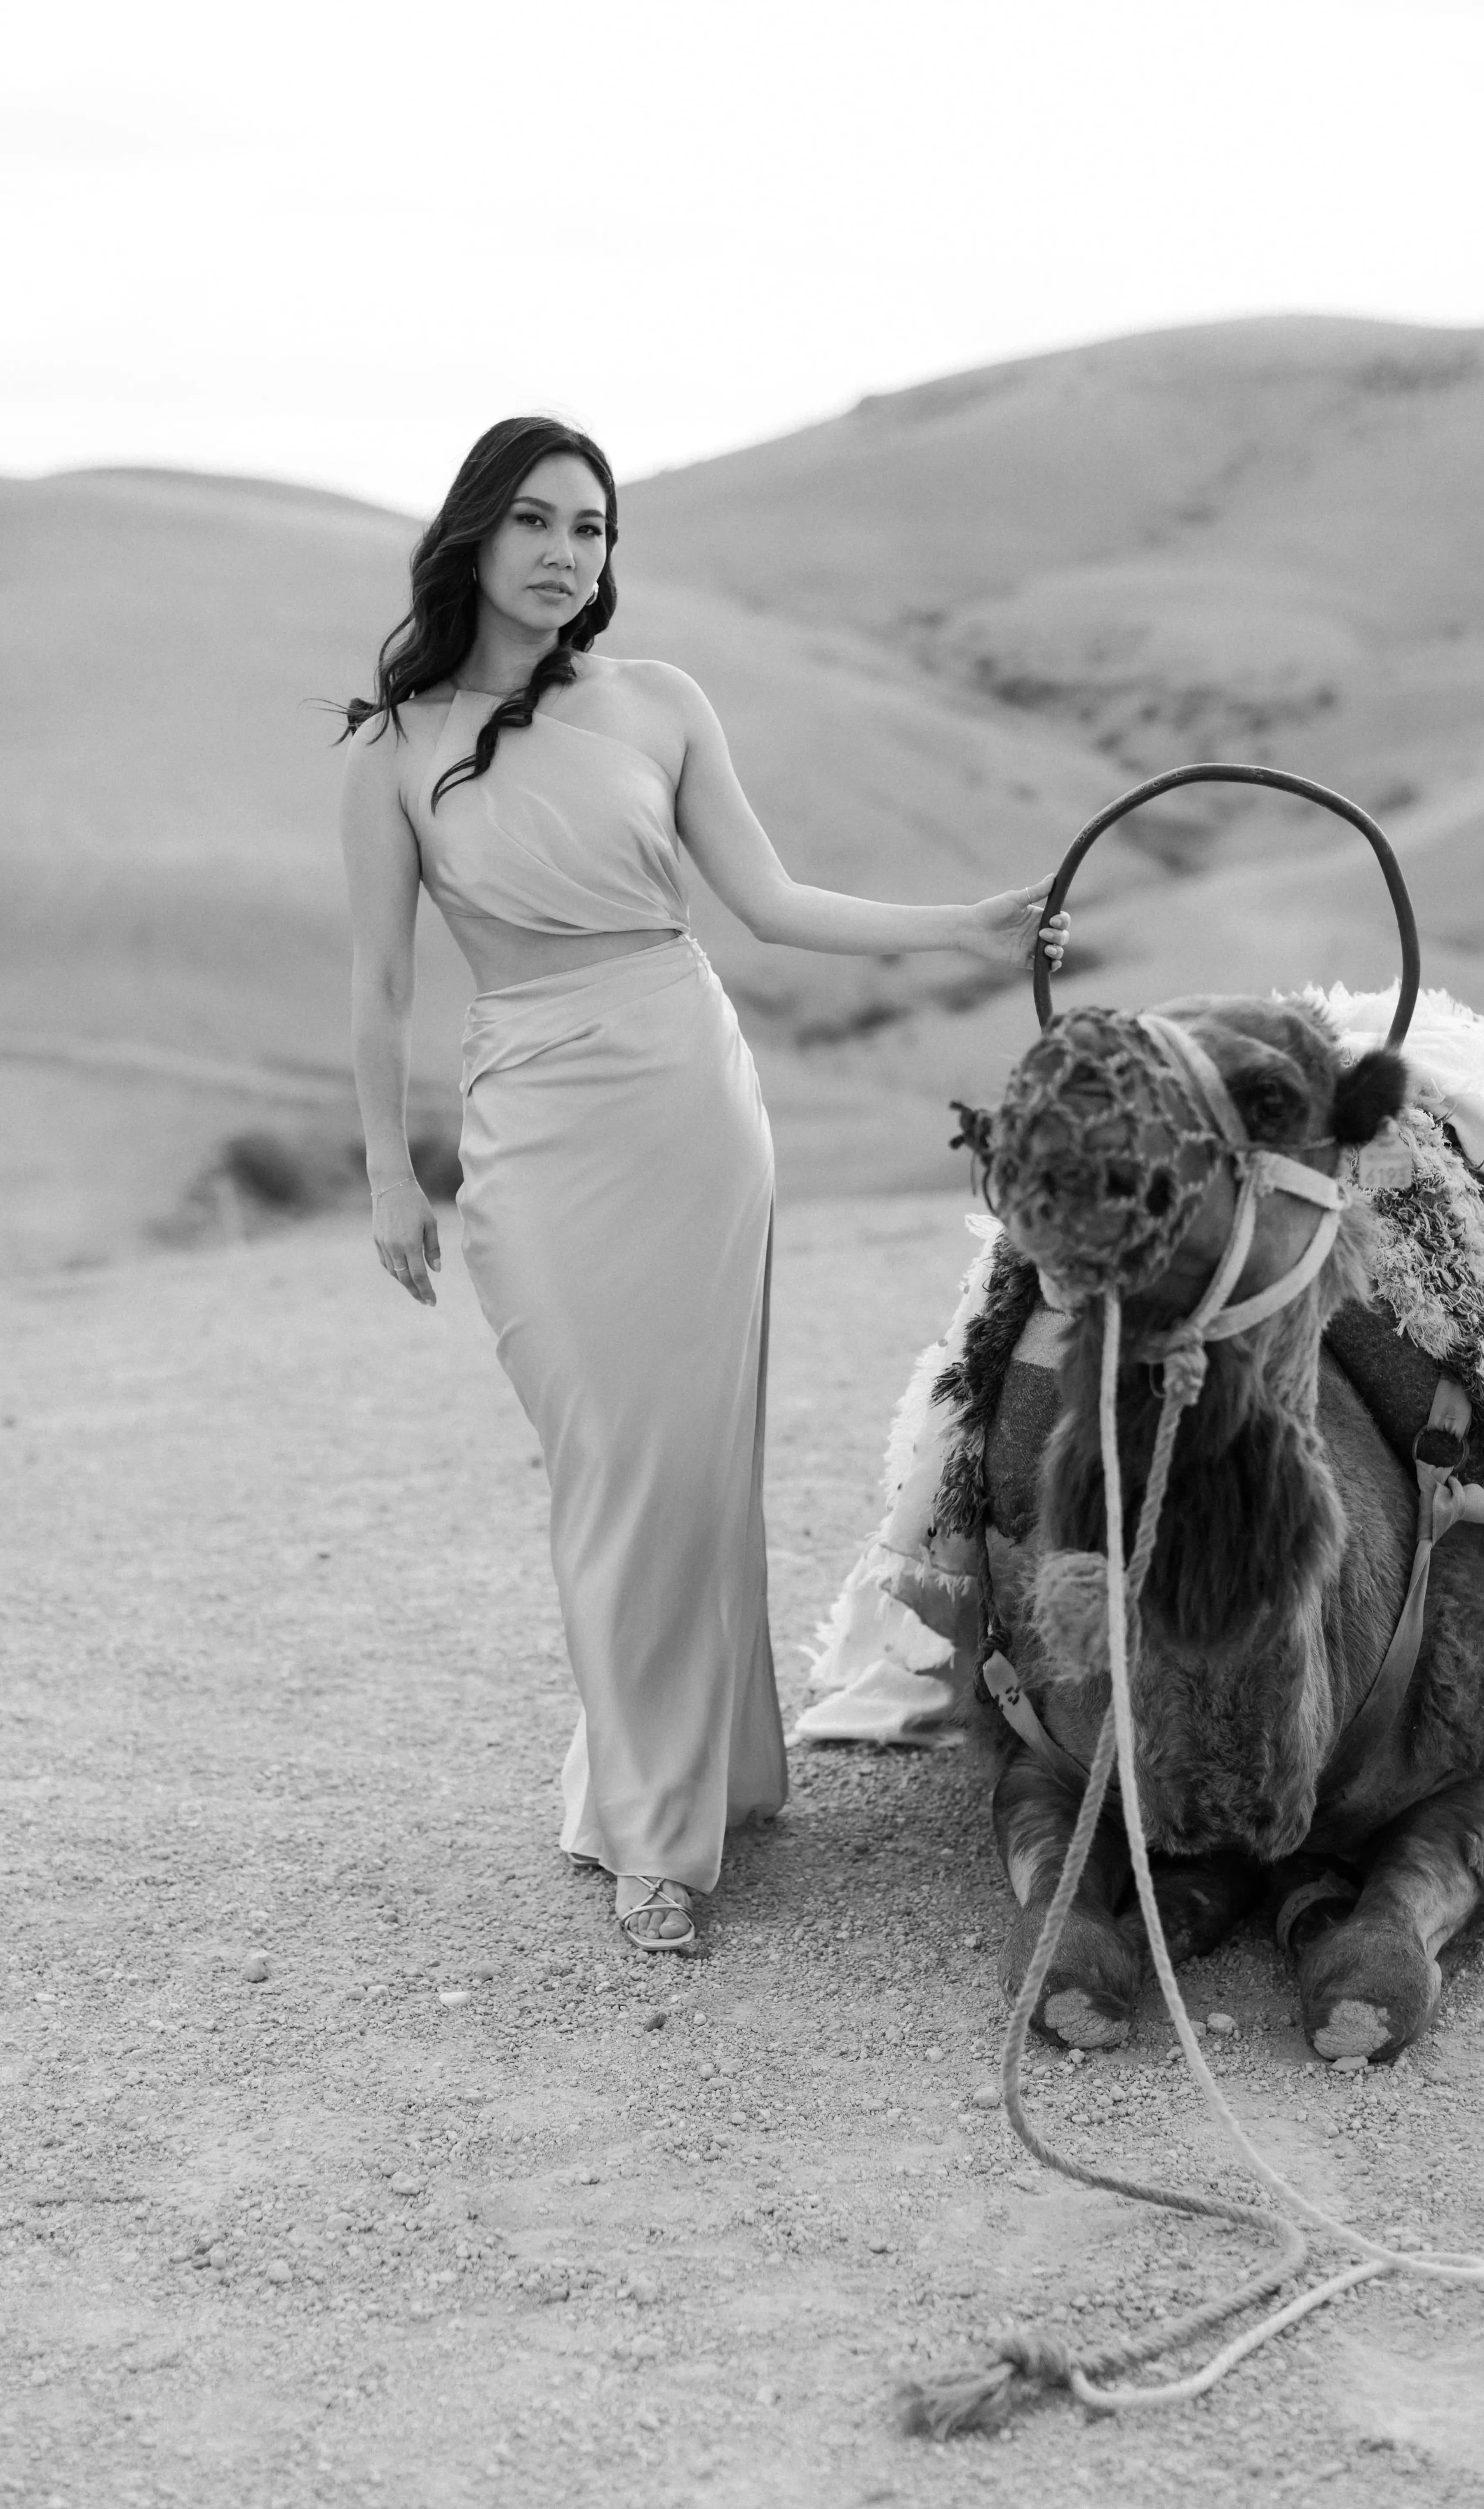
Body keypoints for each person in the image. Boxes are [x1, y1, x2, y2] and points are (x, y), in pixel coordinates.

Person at [338, 414, 1068, 1953]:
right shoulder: (392, 746)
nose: (565, 554)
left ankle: (667, 1826)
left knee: (686, 1462)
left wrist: (966, 925)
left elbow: (772, 900)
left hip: (686, 1091)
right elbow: (376, 980)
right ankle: (676, 1778)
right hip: (528, 1115)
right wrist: (392, 1177)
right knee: (605, 1458)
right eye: (537, 522)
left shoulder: (661, 704)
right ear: (474, 534)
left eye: (592, 530)